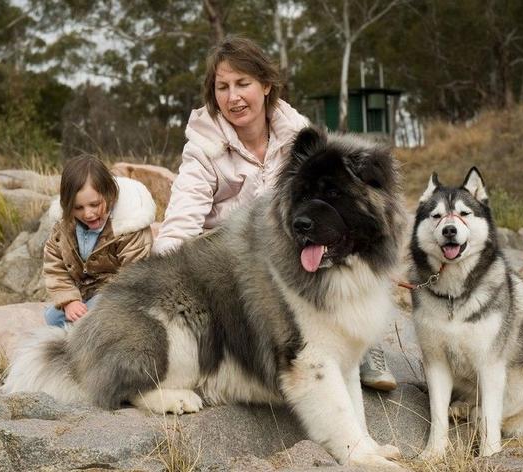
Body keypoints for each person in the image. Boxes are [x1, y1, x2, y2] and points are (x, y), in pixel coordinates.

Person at [153, 35, 396, 391]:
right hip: (232, 258)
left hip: (291, 245)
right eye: (222, 87)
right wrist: (159, 281)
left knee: (356, 253)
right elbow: (180, 221)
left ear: (266, 85)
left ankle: (364, 348)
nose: (233, 97)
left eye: (242, 83)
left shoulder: (301, 136)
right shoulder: (202, 150)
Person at [43, 155, 156, 327]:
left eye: (94, 204)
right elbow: (54, 267)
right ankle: (83, 327)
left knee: (97, 311)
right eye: (78, 207)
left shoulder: (128, 226)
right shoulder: (63, 228)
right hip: (82, 294)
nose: (88, 214)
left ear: (110, 194)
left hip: (115, 293)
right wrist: (69, 301)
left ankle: (92, 332)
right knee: (52, 318)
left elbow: (135, 272)